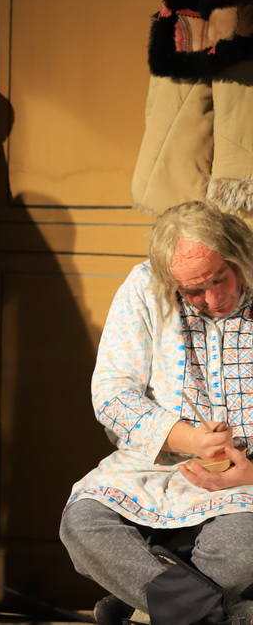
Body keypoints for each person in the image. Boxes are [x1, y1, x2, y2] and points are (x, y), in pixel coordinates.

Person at [60, 201, 253, 625]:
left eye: (219, 278)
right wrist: (191, 438)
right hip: (155, 468)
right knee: (83, 525)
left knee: (242, 549)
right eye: (193, 291)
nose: (213, 299)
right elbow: (111, 393)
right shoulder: (144, 288)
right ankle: (230, 616)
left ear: (236, 256)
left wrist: (250, 474)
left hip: (246, 482)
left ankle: (145, 601)